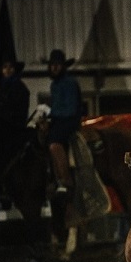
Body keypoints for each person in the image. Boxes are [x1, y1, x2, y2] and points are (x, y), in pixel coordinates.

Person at [43, 49, 82, 196]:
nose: (54, 68)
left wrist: (51, 115)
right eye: (52, 65)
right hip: (59, 120)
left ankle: (66, 179)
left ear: (63, 66)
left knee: (54, 142)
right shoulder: (54, 85)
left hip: (69, 120)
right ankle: (51, 177)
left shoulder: (70, 83)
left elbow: (71, 109)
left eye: (58, 65)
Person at [0, 57, 30, 127]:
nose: (8, 70)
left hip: (14, 127)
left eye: (11, 66)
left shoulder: (21, 88)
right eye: (5, 67)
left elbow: (22, 113)